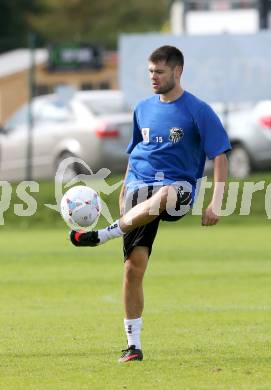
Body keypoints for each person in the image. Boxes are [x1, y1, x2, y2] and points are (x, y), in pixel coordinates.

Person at [70, 45, 231, 363]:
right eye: (150, 72)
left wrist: (216, 204)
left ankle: (104, 235)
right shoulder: (142, 108)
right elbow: (135, 153)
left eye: (159, 72)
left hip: (178, 189)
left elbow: (221, 155)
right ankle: (133, 346)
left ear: (177, 71)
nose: (153, 77)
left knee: (167, 194)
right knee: (133, 269)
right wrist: (123, 191)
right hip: (137, 189)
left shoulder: (198, 110)